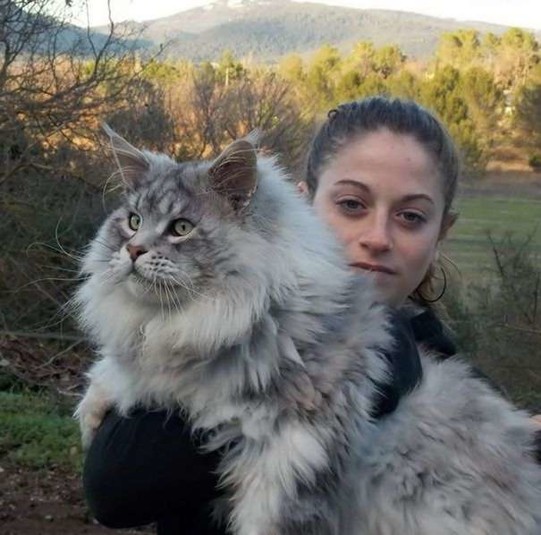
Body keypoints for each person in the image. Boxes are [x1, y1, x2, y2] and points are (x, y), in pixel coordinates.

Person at [82, 96, 530, 534]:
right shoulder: (237, 328)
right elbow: (114, 488)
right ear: (303, 203)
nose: (377, 237)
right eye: (352, 204)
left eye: (411, 216)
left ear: (441, 232)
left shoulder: (449, 372)